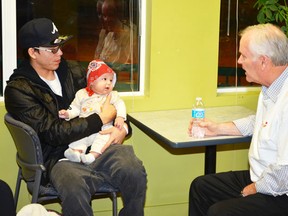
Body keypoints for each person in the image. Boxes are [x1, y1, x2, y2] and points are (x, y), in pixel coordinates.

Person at [4, 18, 147, 216]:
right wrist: (100, 119)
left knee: (134, 171)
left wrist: (122, 128)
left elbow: (112, 101)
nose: (60, 53)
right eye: (53, 50)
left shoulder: (73, 71)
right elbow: (52, 133)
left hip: (100, 144)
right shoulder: (19, 90)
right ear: (32, 52)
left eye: (60, 46)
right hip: (60, 157)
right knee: (74, 188)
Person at [188, 23, 288, 216]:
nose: (239, 61)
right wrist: (216, 129)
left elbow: (285, 173)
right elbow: (259, 122)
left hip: (280, 190)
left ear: (263, 62)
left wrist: (252, 189)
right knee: (201, 187)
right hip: (262, 177)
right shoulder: (271, 87)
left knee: (220, 212)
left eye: (244, 55)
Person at [59, 59, 127, 164]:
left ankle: (92, 156)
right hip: (86, 127)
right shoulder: (82, 94)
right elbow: (75, 107)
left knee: (103, 140)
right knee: (79, 139)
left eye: (111, 80)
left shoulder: (112, 95)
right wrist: (68, 114)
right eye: (104, 79)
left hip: (104, 129)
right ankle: (76, 153)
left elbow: (120, 104)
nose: (108, 83)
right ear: (92, 81)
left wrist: (120, 117)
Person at [94, 0, 138, 65]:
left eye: (110, 15)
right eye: (104, 15)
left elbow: (126, 65)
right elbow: (97, 58)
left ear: (118, 15)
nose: (106, 19)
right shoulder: (107, 34)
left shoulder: (128, 36)